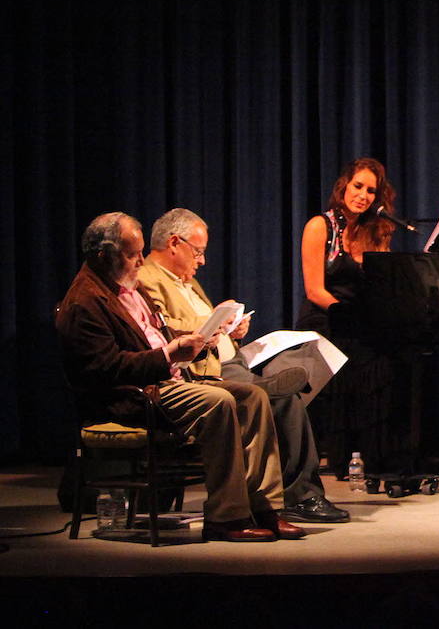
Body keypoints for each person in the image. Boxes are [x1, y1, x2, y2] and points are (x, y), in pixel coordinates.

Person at [56, 212, 304, 541]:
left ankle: (265, 507)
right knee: (219, 401)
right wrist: (169, 355)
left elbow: (157, 332)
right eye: (133, 254)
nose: (140, 260)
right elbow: (108, 368)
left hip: (166, 382)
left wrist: (199, 342)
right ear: (104, 256)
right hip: (133, 396)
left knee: (254, 397)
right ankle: (226, 517)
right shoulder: (85, 302)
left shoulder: (126, 288)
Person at [138, 208, 350, 523]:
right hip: (204, 373)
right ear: (173, 243)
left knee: (297, 373)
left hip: (232, 361)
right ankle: (301, 497)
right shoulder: (148, 278)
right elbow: (162, 330)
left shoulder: (188, 281)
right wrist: (214, 322)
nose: (202, 261)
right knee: (281, 399)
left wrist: (231, 328)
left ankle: (299, 493)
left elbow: (205, 327)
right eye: (198, 251)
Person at [297, 157, 403, 478]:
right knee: (346, 352)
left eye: (371, 190)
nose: (363, 195)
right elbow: (314, 289)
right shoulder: (320, 226)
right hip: (326, 317)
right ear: (344, 185)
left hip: (360, 320)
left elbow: (381, 284)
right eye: (358, 186)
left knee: (388, 357)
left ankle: (376, 459)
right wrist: (346, 314)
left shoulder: (379, 231)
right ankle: (339, 458)